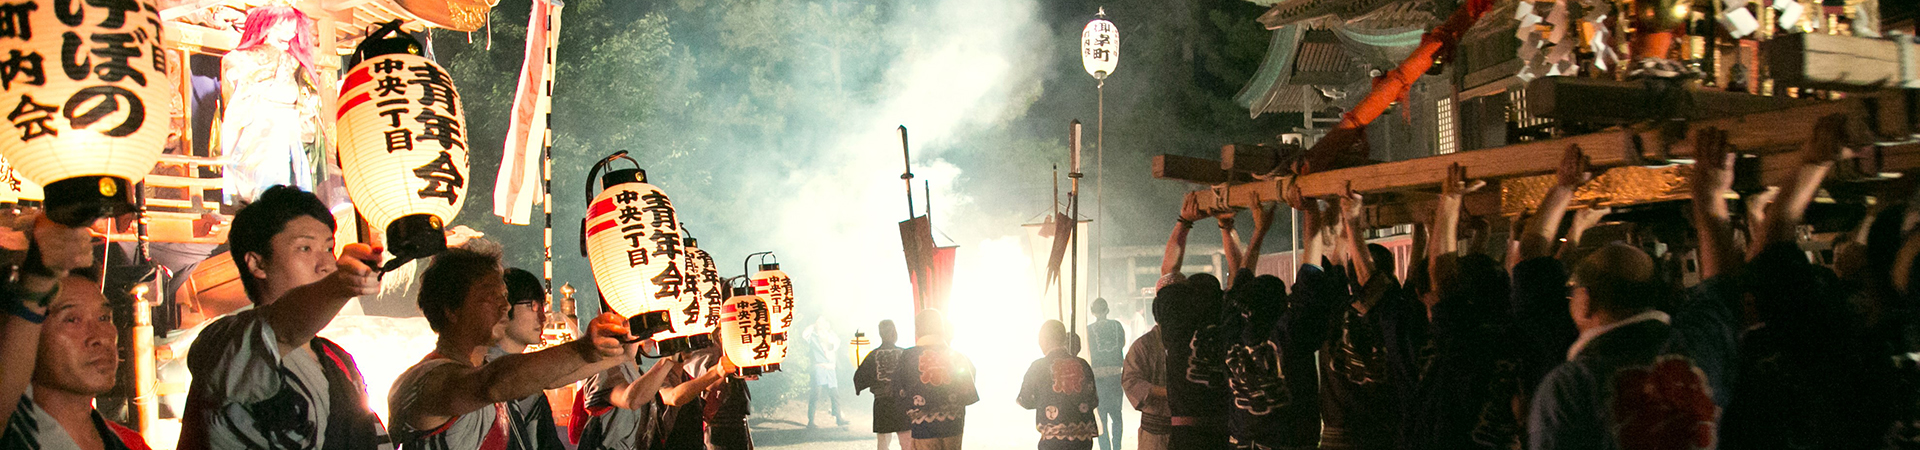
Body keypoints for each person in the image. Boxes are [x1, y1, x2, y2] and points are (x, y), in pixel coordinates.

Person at [1524, 129, 1749, 450]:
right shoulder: (1696, 351)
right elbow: (1721, 288)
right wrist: (1710, 195)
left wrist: (1564, 187)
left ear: (1585, 301)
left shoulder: (1571, 385)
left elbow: (1532, 263)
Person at [178, 185, 388, 450]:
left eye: (328, 248)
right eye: (305, 248)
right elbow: (283, 330)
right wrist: (338, 286)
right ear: (257, 264)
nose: (326, 264)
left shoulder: (336, 359)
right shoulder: (220, 342)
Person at [386, 246, 630, 449]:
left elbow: (553, 377)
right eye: (491, 296)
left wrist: (618, 349)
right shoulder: (426, 382)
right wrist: (584, 348)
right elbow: (492, 382)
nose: (505, 305)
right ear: (451, 309)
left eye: (504, 295)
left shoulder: (488, 372)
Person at [1, 212, 151, 450]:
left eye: (104, 318)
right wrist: (37, 283)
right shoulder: (15, 434)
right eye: (72, 319)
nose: (100, 337)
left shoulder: (130, 444)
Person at [220, 5, 327, 204]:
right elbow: (233, 98)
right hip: (260, 122)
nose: (289, 35)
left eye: (292, 30)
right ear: (265, 28)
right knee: (262, 171)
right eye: (282, 28)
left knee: (284, 171)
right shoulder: (240, 58)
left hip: (286, 123)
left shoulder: (292, 62)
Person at [493, 268, 567, 450]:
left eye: (542, 307)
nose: (542, 317)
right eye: (532, 306)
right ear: (505, 307)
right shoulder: (487, 368)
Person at [895, 309, 977, 450]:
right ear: (942, 329)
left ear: (917, 330)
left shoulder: (907, 357)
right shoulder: (957, 356)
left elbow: (897, 392)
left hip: (923, 428)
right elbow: (968, 393)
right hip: (953, 426)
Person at [575, 339, 676, 450]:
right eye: (642, 334)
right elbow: (631, 399)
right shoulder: (606, 369)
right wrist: (667, 360)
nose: (650, 338)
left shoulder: (637, 374)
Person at [1018, 320, 1099, 450]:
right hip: (1082, 441)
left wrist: (1045, 399)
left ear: (1044, 340)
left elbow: (1025, 400)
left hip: (1053, 442)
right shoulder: (1083, 365)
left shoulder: (1038, 367)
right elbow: (1093, 401)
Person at [854, 320, 911, 450]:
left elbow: (860, 377)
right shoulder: (904, 354)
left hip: (882, 402)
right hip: (901, 402)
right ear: (894, 332)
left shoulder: (873, 355)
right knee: (906, 440)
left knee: (883, 441)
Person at [1121, 312, 1169, 450]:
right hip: (1154, 429)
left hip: (1186, 428)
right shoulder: (1143, 345)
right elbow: (1130, 380)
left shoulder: (1189, 343)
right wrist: (1164, 392)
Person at [1083, 300, 1124, 450]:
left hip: (1098, 379)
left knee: (1101, 418)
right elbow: (1122, 344)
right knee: (1117, 416)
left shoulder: (1088, 330)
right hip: (1115, 377)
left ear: (1092, 312)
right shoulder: (1117, 326)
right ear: (1107, 310)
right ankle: (1117, 447)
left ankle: (1105, 448)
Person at [803, 317, 847, 428]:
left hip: (830, 369)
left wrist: (827, 330)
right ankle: (811, 421)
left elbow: (836, 343)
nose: (822, 325)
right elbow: (804, 334)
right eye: (820, 323)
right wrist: (814, 325)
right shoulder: (813, 337)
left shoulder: (830, 336)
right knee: (815, 394)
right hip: (819, 368)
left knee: (835, 395)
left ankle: (838, 418)